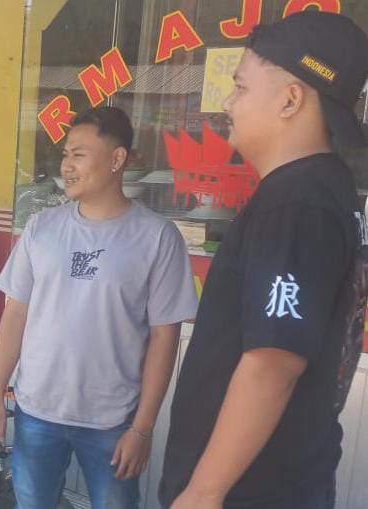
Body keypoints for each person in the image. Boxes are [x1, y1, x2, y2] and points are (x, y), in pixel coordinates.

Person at [160, 12, 368, 509]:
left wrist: (204, 492)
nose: (228, 103)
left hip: (251, 492)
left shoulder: (298, 203)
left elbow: (274, 363)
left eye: (240, 87)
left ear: (290, 100)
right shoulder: (325, 190)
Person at [0, 106, 198, 509]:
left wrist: (142, 428)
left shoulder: (156, 237)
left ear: (117, 159)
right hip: (36, 411)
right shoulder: (42, 228)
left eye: (79, 155)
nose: (66, 165)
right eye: (66, 154)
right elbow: (15, 314)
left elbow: (164, 337)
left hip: (112, 420)